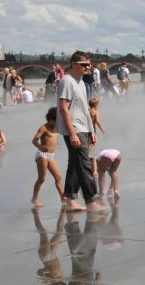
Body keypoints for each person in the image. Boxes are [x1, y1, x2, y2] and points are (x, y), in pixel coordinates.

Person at [57, 52, 104, 211]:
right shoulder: (67, 81)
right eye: (84, 64)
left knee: (75, 164)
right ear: (73, 64)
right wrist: (72, 134)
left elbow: (84, 110)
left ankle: (70, 199)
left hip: (83, 128)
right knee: (85, 165)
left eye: (89, 64)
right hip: (74, 129)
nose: (88, 67)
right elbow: (63, 109)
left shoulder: (81, 82)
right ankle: (91, 201)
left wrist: (92, 131)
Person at [31, 107, 64, 208]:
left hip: (51, 155)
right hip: (42, 154)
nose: (56, 123)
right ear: (50, 119)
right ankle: (34, 198)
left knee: (58, 177)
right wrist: (41, 147)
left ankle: (63, 199)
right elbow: (34, 140)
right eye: (55, 121)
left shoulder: (57, 127)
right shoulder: (43, 128)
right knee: (42, 178)